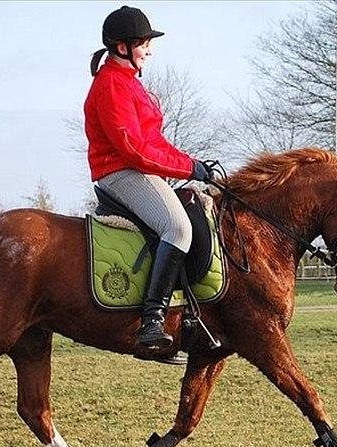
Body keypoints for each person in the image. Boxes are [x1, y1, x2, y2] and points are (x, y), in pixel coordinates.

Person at [84, 5, 214, 351]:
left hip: (137, 170)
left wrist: (191, 163)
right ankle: (151, 321)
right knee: (178, 229)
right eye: (143, 43)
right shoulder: (112, 85)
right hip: (121, 172)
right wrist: (187, 170)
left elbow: (155, 142)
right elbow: (135, 150)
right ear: (122, 46)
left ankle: (181, 315)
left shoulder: (130, 84)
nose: (149, 49)